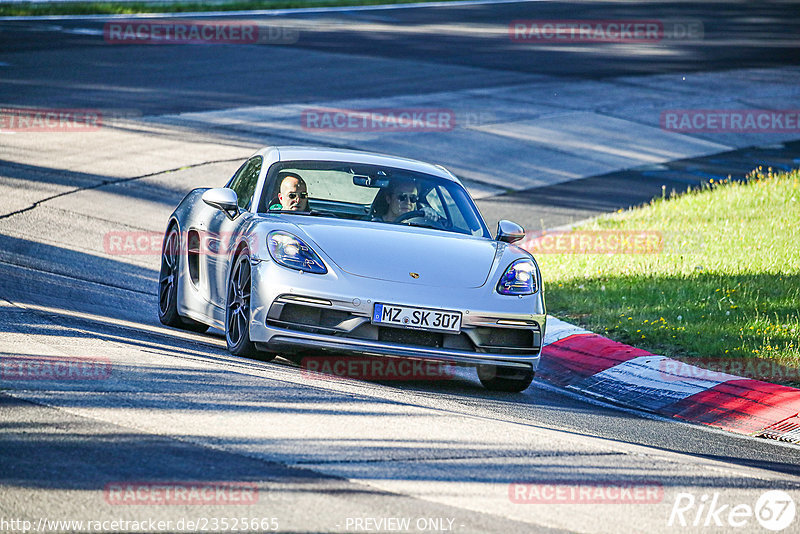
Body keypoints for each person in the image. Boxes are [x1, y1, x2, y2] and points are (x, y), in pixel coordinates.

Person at [374, 178, 442, 224]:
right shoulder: (374, 224)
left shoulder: (419, 227)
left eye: (413, 198)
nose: (408, 202)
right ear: (388, 199)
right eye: (402, 197)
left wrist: (429, 216)